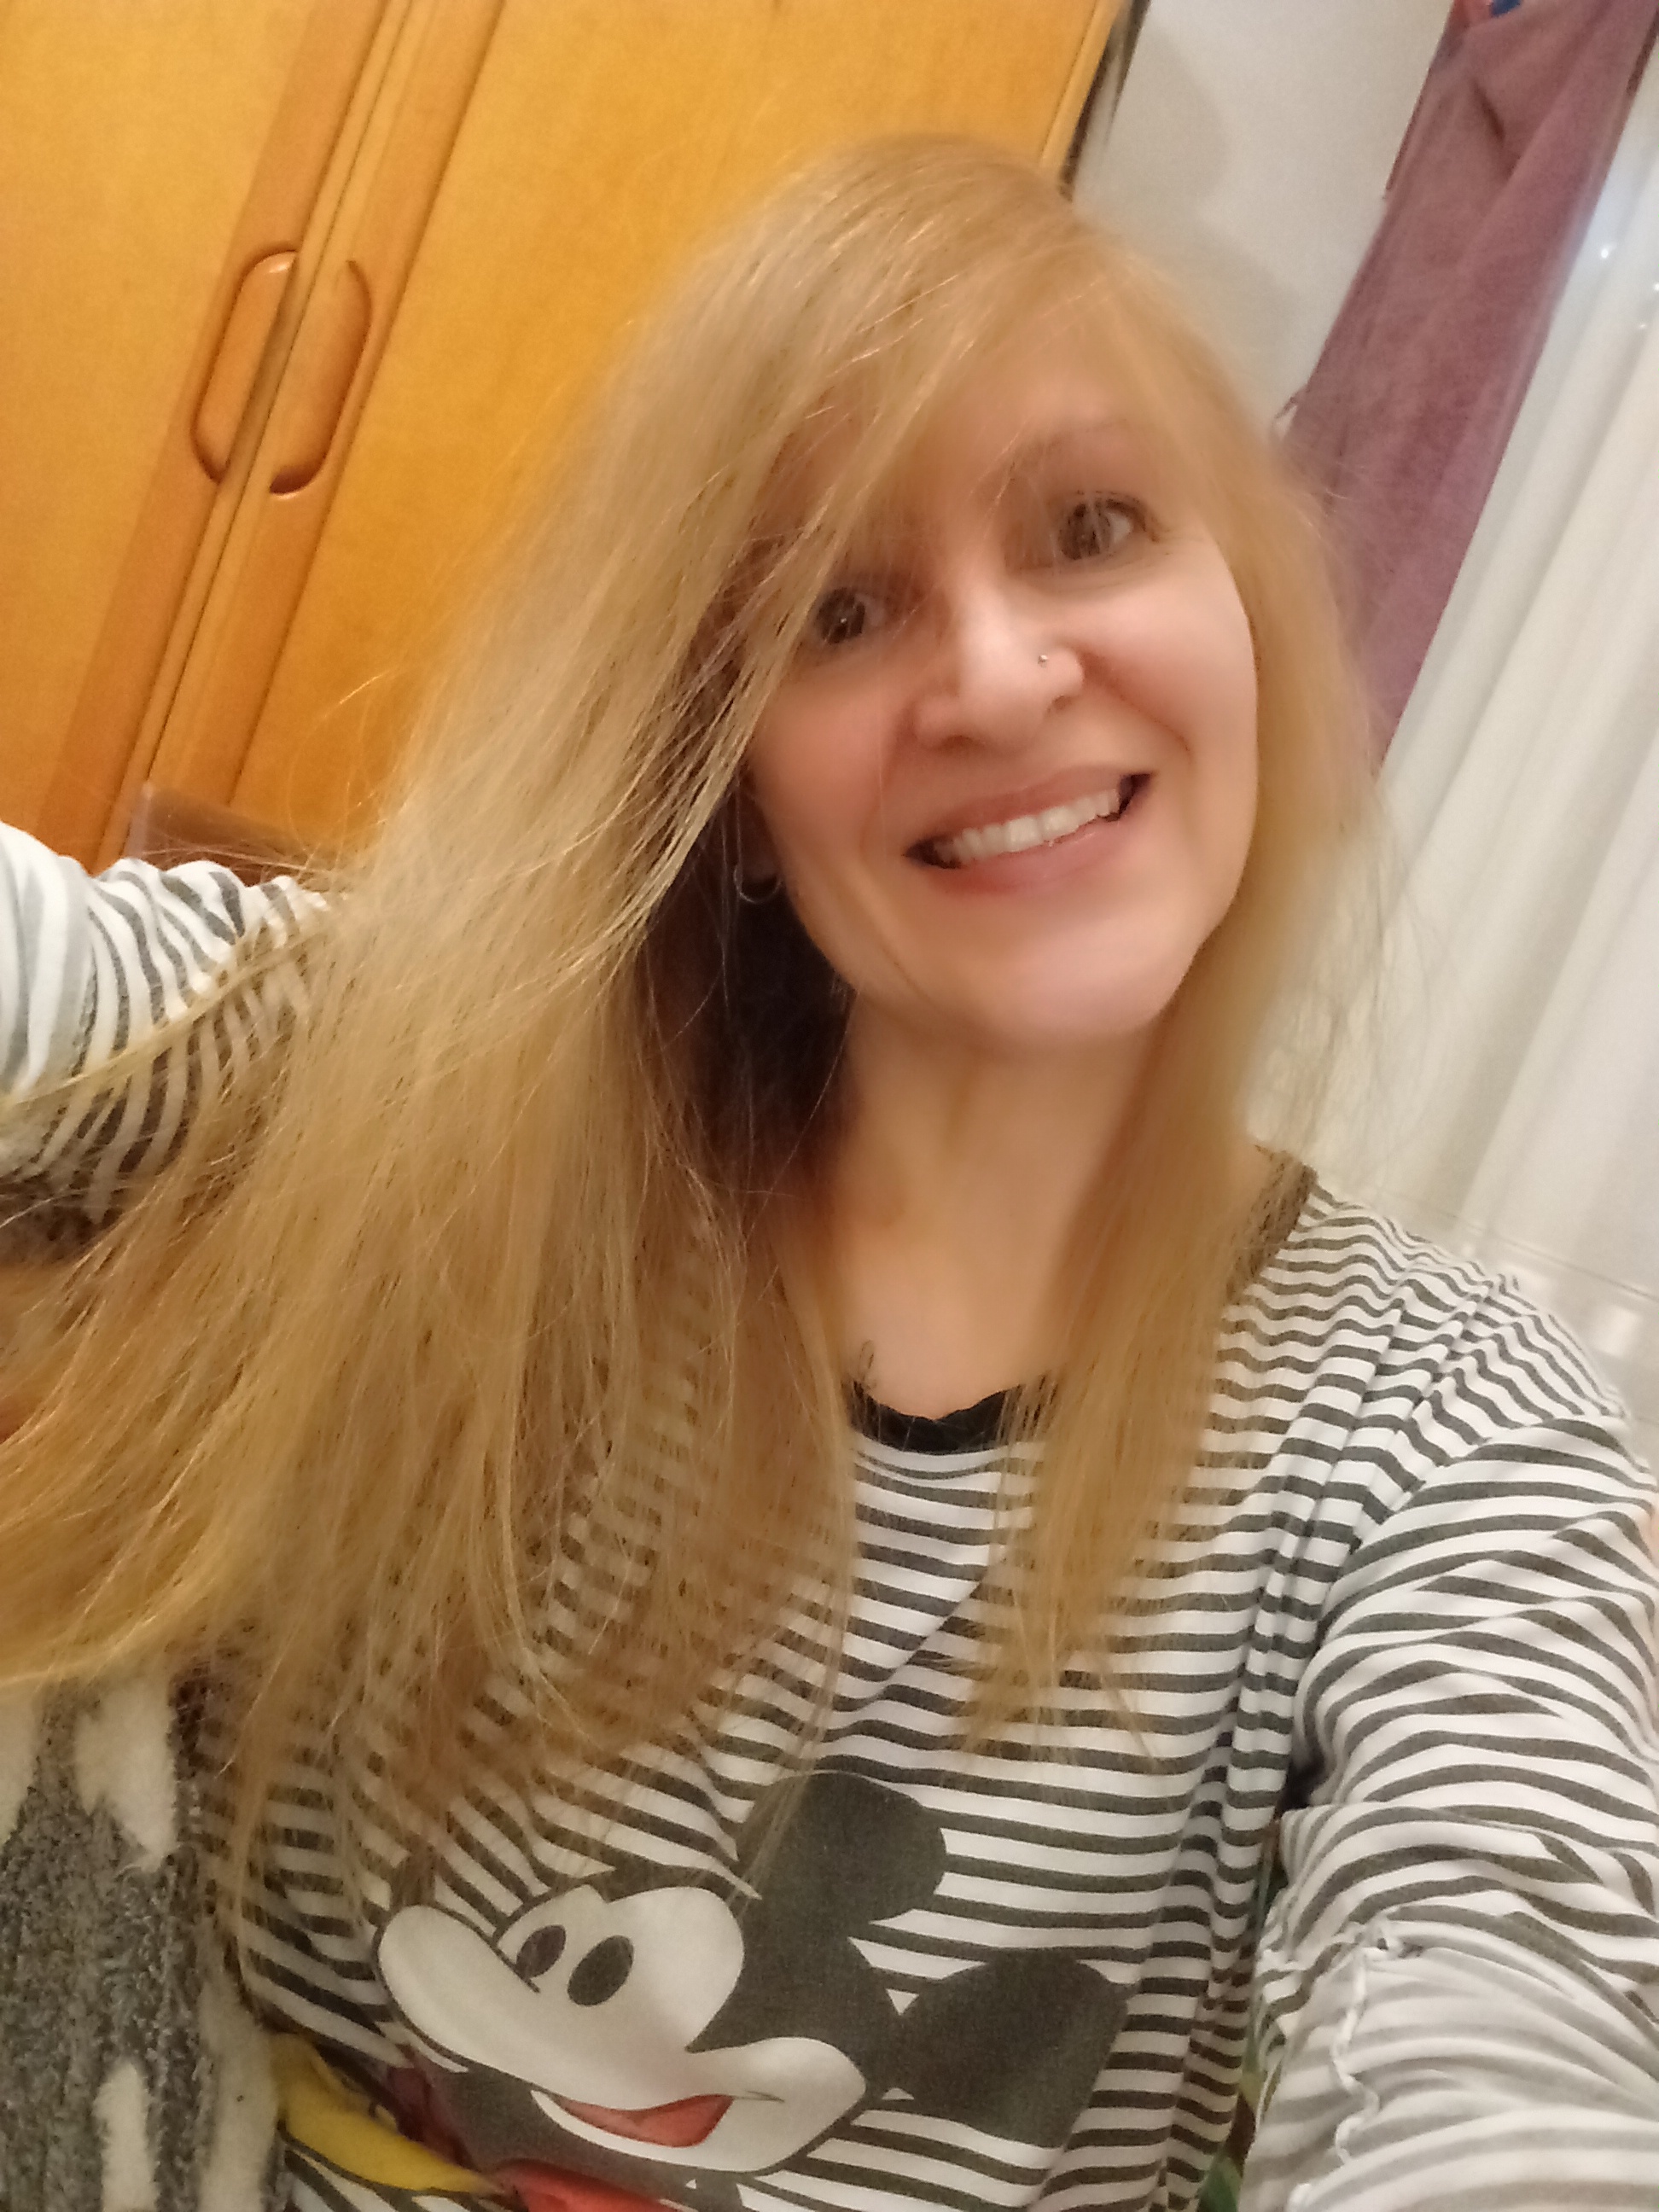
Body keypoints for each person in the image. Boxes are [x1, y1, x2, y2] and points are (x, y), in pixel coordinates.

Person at [1, 138, 1656, 2212]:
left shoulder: (1445, 1432)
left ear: (1243, 602)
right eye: (840, 610)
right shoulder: (420, 1104)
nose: (998, 679)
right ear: (735, 783)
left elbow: (1504, 2021)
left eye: (1090, 528)